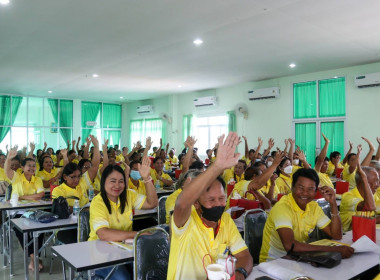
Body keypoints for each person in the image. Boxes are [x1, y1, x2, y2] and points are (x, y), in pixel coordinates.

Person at [168, 132, 253, 280]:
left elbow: (244, 255)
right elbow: (182, 203)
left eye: (221, 198)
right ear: (196, 202)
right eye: (211, 200)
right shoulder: (184, 222)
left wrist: (238, 275)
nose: (218, 204)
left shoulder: (225, 220)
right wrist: (217, 166)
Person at [259, 168, 354, 263]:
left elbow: (336, 235)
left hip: (297, 259)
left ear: (316, 190)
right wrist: (334, 249)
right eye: (301, 188)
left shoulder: (313, 206)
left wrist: (333, 203)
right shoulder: (282, 207)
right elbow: (290, 246)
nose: (305, 193)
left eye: (310, 189)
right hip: (273, 262)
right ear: (292, 187)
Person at [88, 157, 158, 280]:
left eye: (121, 181)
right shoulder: (97, 202)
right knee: (124, 278)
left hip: (125, 250)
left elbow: (152, 203)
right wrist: (137, 234)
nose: (117, 185)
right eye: (113, 181)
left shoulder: (128, 195)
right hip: (100, 254)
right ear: (104, 182)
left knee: (149, 271)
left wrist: (147, 178)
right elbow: (103, 234)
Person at [4, 147, 45, 271]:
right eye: (29, 166)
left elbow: (40, 195)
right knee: (20, 230)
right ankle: (34, 257)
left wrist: (22, 197)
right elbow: (7, 171)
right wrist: (9, 158)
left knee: (41, 228)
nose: (32, 168)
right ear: (22, 167)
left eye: (34, 166)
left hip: (34, 211)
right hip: (18, 212)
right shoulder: (17, 177)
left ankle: (34, 258)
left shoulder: (37, 179)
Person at [340, 145, 379, 231]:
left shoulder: (374, 196)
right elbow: (369, 207)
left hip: (366, 232)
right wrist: (364, 178)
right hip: (349, 238)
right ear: (364, 183)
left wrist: (372, 221)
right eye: (375, 181)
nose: (378, 185)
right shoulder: (348, 197)